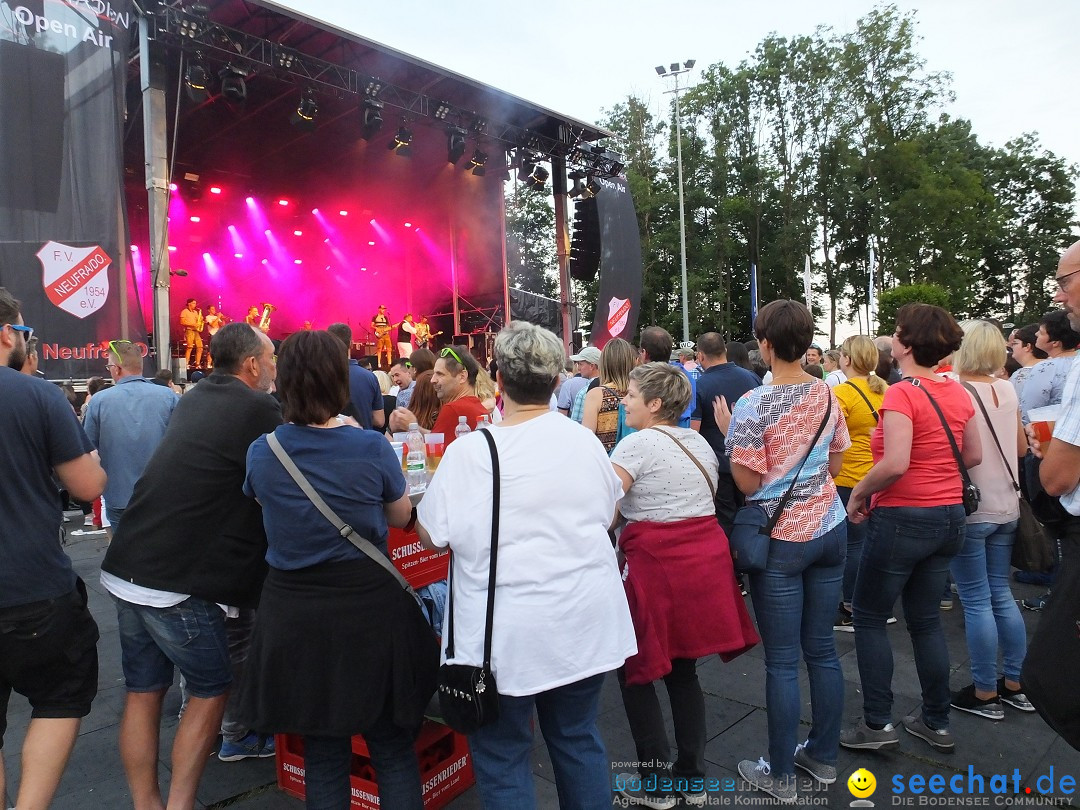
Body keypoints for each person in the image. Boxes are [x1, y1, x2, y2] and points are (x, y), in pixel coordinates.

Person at [416, 321, 637, 809]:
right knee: (578, 739)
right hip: (581, 620)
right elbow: (608, 514)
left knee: (502, 757)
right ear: (558, 381)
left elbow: (433, 537)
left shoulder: (472, 451)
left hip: (504, 635)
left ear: (497, 378)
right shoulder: (584, 443)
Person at [240, 330, 437, 809]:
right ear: (339, 382)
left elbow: (260, 501)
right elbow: (398, 515)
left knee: (323, 753)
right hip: (370, 609)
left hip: (296, 612)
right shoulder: (370, 447)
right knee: (391, 747)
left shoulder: (264, 451)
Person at [99, 323, 283, 809]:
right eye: (271, 359)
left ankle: (148, 805)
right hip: (177, 581)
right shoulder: (259, 406)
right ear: (251, 365)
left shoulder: (196, 396)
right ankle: (180, 805)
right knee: (210, 690)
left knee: (143, 692)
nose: (275, 368)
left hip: (126, 563)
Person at [717, 299, 851, 803]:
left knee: (781, 661)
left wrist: (735, 436)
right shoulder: (825, 393)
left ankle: (779, 772)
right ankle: (822, 756)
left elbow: (749, 483)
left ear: (766, 344)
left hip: (782, 541)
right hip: (829, 528)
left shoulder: (754, 405)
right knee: (822, 650)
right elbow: (836, 464)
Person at [611, 362, 758, 808]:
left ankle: (656, 785)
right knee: (683, 670)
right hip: (701, 559)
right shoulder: (698, 442)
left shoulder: (636, 445)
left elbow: (603, 505)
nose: (624, 400)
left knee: (636, 671)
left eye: (631, 394)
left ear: (654, 403)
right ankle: (691, 777)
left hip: (655, 564)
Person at [841, 303, 980, 755]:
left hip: (903, 517)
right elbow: (972, 456)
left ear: (904, 342)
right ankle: (935, 720)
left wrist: (860, 492)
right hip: (949, 517)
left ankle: (877, 724)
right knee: (924, 622)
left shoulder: (903, 393)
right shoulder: (958, 392)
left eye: (896, 331)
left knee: (868, 616)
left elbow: (896, 462)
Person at [0, 289, 106, 810]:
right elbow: (87, 487)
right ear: (7, 335)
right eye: (24, 333)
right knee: (61, 698)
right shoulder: (36, 395)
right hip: (34, 591)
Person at [947, 320, 1031, 719]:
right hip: (1009, 505)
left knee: (976, 599)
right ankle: (1015, 682)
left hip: (973, 506)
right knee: (1001, 593)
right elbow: (1019, 446)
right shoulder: (1007, 387)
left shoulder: (956, 390)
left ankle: (984, 691)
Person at [1023, 239, 1080, 748]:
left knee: (1053, 674)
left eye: (1064, 281)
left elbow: (1059, 478)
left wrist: (1047, 454)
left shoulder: (1036, 377)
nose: (1060, 297)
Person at [83, 339, 179, 528]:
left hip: (119, 497)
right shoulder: (169, 397)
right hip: (161, 495)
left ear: (116, 369)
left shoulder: (99, 402)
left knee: (124, 553)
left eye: (109, 366)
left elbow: (88, 450)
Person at [832, 335, 889, 631]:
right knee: (873, 543)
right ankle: (879, 604)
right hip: (881, 476)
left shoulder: (843, 392)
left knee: (853, 546)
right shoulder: (886, 389)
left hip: (850, 478)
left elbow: (831, 435)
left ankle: (852, 606)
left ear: (847, 359)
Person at [690, 332, 760, 536]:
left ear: (701, 356)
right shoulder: (752, 378)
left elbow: (694, 433)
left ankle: (730, 564)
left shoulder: (699, 386)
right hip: (751, 463)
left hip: (719, 467)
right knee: (751, 519)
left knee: (725, 523)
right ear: (725, 351)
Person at [390, 346, 489, 442]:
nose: (433, 380)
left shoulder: (453, 409)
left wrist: (412, 427)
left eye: (440, 374)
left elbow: (436, 451)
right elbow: (441, 439)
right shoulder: (481, 410)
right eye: (434, 374)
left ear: (462, 376)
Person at [1018, 309, 1079, 422]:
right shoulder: (1076, 362)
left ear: (1055, 342)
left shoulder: (1046, 368)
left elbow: (1029, 412)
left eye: (1041, 332)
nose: (1036, 334)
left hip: (1050, 433)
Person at [327, 322, 385, 432]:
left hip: (329, 443)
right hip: (363, 442)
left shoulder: (318, 376)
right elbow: (379, 420)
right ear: (351, 344)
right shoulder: (369, 377)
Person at [583, 338, 636, 453]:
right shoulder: (639, 393)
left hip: (606, 463)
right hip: (634, 459)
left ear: (604, 363)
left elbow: (587, 440)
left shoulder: (597, 395)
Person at [1007, 324, 1047, 402]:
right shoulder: (1055, 367)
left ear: (1027, 347)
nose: (1011, 346)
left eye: (1015, 343)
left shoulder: (1019, 376)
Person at [558, 346, 600, 415]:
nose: (579, 368)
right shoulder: (610, 388)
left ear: (592, 366)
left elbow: (577, 421)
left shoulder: (583, 393)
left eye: (581, 364)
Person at [180, 298, 204, 369]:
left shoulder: (195, 312)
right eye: (194, 303)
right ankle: (186, 363)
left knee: (200, 347)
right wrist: (192, 324)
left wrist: (201, 320)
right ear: (189, 304)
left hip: (196, 331)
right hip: (189, 330)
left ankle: (197, 364)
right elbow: (182, 322)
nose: (195, 305)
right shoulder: (184, 311)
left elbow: (198, 320)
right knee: (189, 347)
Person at [372, 304, 394, 368]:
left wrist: (387, 329)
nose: (383, 310)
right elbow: (372, 325)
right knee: (379, 348)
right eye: (382, 308)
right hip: (379, 333)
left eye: (384, 309)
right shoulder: (375, 317)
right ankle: (379, 363)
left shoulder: (386, 317)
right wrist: (376, 328)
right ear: (379, 309)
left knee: (389, 348)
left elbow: (388, 326)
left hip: (386, 334)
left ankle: (389, 363)